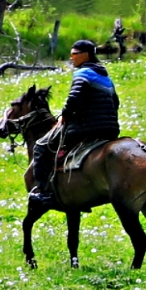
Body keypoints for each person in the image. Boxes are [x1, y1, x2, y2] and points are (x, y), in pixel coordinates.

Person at [38, 38, 121, 184]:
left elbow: (74, 99)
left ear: (85, 55)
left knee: (41, 146)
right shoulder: (105, 77)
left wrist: (64, 115)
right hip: (110, 130)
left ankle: (41, 191)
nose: (71, 57)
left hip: (87, 129)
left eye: (74, 54)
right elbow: (116, 103)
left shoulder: (83, 73)